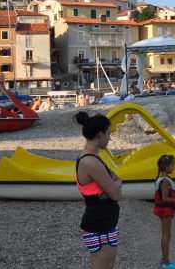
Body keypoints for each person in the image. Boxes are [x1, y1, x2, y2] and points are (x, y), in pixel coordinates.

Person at [75, 111, 123, 269]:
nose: (110, 138)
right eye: (109, 133)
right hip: (99, 226)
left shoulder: (94, 157)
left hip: (104, 224)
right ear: (100, 134)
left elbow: (118, 179)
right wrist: (114, 185)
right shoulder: (90, 162)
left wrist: (114, 183)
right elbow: (116, 194)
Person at [154, 155, 175, 269]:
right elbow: (165, 198)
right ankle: (165, 264)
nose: (174, 167)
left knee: (167, 234)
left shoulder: (163, 179)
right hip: (165, 210)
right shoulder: (164, 181)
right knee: (165, 235)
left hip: (164, 210)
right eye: (172, 165)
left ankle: (165, 259)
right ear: (166, 167)